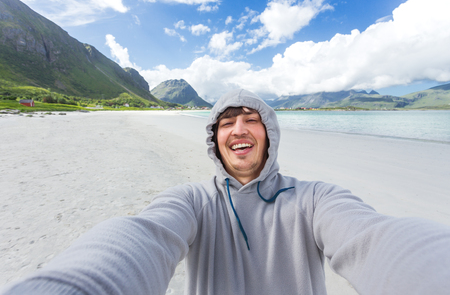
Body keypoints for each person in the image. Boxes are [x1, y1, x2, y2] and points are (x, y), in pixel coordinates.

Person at [2, 89, 450, 295]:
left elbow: (375, 238)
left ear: (269, 134)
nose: (238, 128)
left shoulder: (315, 199)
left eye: (251, 118)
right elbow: (140, 237)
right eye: (226, 120)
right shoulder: (193, 201)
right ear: (215, 138)